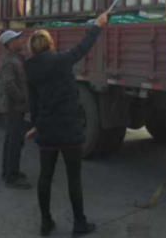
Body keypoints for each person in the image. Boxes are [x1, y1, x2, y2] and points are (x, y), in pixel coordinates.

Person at [24, 12, 108, 237]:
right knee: (74, 179)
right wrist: (97, 25)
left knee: (45, 177)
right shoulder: (61, 60)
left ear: (32, 48)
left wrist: (35, 125)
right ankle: (79, 223)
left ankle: (45, 223)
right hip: (69, 130)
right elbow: (83, 47)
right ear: (49, 43)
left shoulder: (29, 69)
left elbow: (33, 103)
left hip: (47, 131)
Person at [0, 30, 31, 189]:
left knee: (11, 140)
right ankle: (12, 176)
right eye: (17, 39)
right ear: (10, 44)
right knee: (15, 142)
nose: (20, 41)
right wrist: (22, 98)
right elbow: (9, 85)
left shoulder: (16, 58)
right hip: (13, 108)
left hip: (15, 107)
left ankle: (8, 171)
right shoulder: (9, 62)